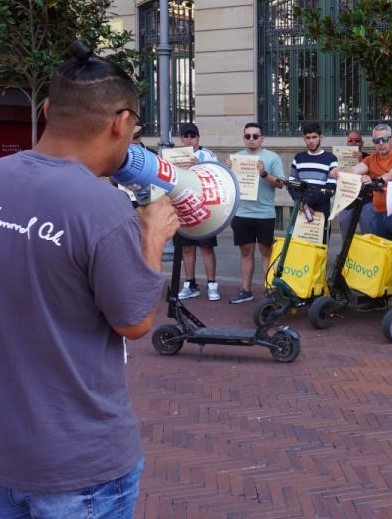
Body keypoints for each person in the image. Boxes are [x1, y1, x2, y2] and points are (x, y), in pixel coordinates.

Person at [0, 44, 179, 517]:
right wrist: (153, 238)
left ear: (46, 110)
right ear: (120, 122)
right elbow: (136, 321)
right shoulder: (100, 207)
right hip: (78, 465)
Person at [226, 122, 286, 303]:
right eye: (247, 136)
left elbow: (281, 183)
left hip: (265, 214)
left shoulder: (272, 157)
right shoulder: (236, 158)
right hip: (242, 213)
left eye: (255, 136)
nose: (251, 140)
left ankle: (269, 290)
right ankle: (246, 290)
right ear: (243, 138)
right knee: (245, 252)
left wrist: (264, 174)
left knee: (266, 252)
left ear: (262, 138)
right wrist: (227, 170)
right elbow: (227, 185)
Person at [343, 123, 392, 257]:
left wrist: (377, 181)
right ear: (373, 142)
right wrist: (340, 172)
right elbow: (356, 169)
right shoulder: (370, 159)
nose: (381, 143)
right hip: (378, 214)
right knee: (382, 256)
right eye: (377, 140)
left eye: (384, 139)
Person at [173, 122, 222, 301]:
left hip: (204, 209)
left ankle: (212, 284)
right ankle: (190, 283)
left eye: (192, 136)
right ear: (181, 138)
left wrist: (199, 165)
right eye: (186, 136)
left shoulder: (207, 154)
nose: (189, 139)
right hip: (183, 208)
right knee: (187, 249)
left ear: (198, 138)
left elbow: (216, 176)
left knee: (206, 248)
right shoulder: (175, 155)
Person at [289, 121, 338, 243]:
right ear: (304, 139)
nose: (311, 141)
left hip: (321, 208)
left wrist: (308, 203)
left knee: (320, 245)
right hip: (300, 208)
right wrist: (300, 203)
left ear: (321, 137)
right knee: (300, 243)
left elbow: (331, 188)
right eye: (308, 138)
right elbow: (292, 184)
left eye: (314, 137)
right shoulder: (298, 158)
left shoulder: (331, 159)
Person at [337, 129, 374, 235]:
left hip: (366, 200)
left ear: (361, 143)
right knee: (346, 234)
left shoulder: (369, 158)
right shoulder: (339, 158)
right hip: (347, 200)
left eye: (356, 140)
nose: (354, 143)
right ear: (347, 142)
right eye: (351, 140)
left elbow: (373, 177)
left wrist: (360, 160)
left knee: (368, 234)